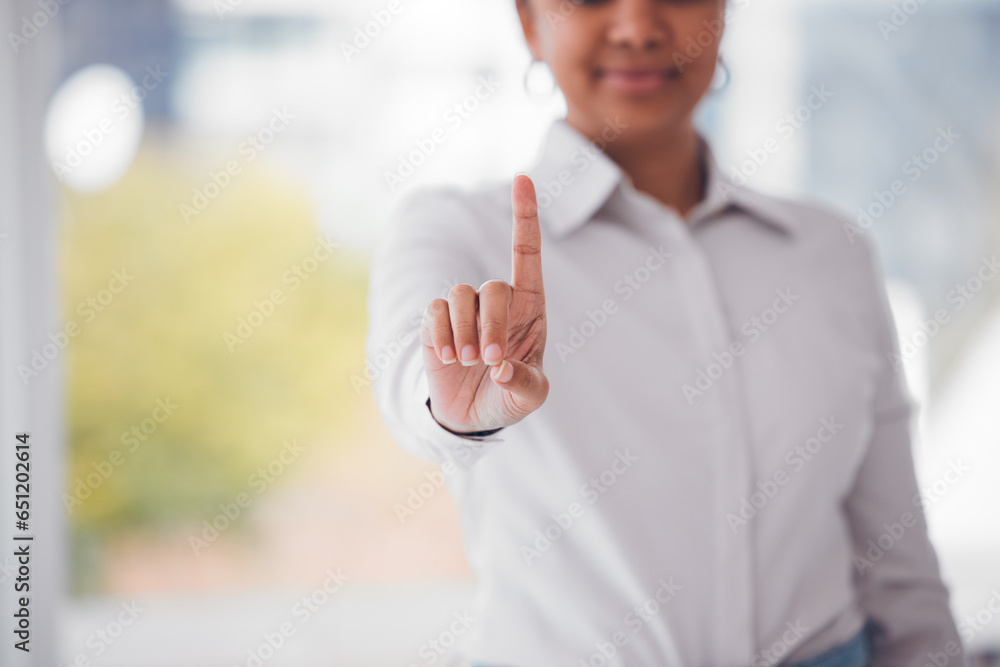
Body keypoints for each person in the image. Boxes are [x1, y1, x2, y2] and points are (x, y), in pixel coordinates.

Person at [365, 0, 966, 665]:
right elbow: (409, 385)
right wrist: (458, 410)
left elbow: (898, 560)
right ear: (529, 23)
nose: (638, 27)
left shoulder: (831, 253)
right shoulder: (456, 229)